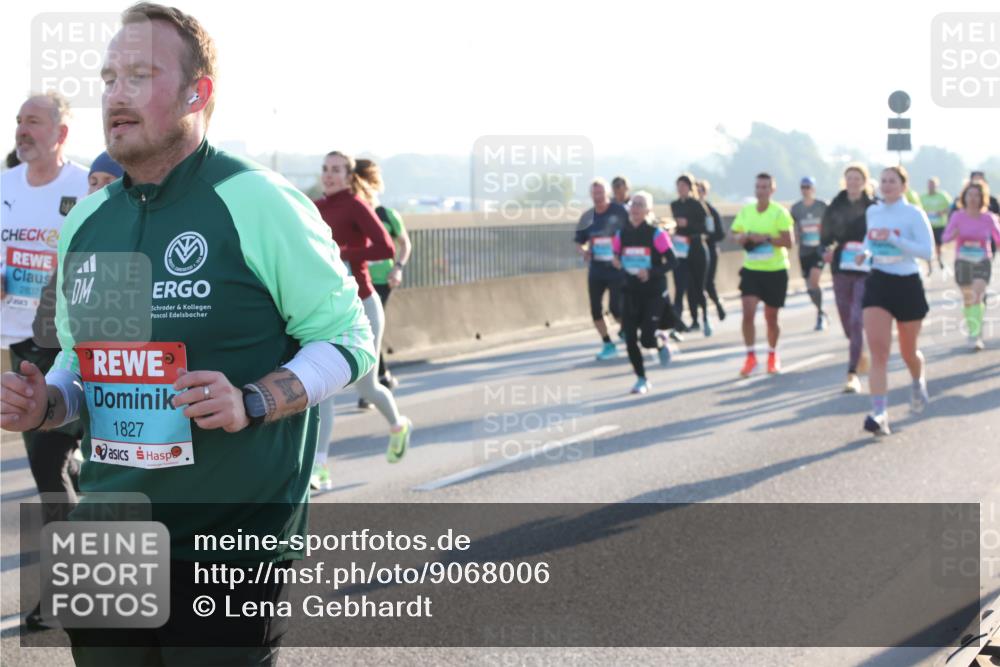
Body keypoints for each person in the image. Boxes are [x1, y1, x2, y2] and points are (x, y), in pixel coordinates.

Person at [1, 4, 376, 663]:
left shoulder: (255, 198)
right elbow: (86, 368)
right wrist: (49, 402)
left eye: (139, 76)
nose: (115, 93)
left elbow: (348, 338)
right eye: (109, 76)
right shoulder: (90, 217)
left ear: (197, 93)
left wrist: (253, 398)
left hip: (226, 542)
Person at [1, 92, 89, 632]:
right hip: (20, 343)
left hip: (70, 344)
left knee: (48, 472)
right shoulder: (4, 186)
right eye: (18, 120)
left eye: (32, 121)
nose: (21, 129)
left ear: (60, 134)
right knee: (56, 466)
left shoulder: (86, 187)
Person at [313, 150, 413, 485]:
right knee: (324, 389)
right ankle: (320, 467)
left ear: (349, 175)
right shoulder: (314, 207)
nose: (329, 175)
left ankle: (398, 425)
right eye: (325, 169)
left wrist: (344, 253)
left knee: (366, 384)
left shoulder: (355, 204)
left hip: (363, 305)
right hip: (327, 309)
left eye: (337, 170)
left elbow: (385, 247)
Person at [857, 166, 934, 436]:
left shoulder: (913, 214)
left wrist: (896, 240)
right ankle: (879, 413)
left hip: (907, 283)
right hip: (878, 281)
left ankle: (917, 379)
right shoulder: (873, 211)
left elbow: (927, 251)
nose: (887, 185)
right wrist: (864, 252)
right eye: (884, 180)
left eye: (893, 181)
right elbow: (870, 238)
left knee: (908, 351)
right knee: (878, 352)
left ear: (903, 186)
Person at [355, 158, 411, 397]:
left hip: (382, 280)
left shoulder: (387, 215)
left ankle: (371, 386)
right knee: (365, 330)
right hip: (355, 281)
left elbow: (404, 243)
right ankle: (381, 376)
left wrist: (398, 267)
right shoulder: (352, 214)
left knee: (367, 328)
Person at [611, 191, 675, 394]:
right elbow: (615, 255)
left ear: (648, 210)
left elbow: (673, 261)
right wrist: (617, 262)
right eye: (633, 204)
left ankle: (660, 342)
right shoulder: (622, 234)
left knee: (646, 339)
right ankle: (641, 378)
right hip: (630, 292)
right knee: (630, 338)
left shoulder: (657, 234)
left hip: (653, 293)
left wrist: (651, 272)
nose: (636, 208)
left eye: (640, 205)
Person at [730, 173, 795, 376]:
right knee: (747, 312)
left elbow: (789, 242)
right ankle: (750, 357)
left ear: (772, 190)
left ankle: (772, 354)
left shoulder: (780, 213)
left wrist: (766, 238)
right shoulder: (747, 211)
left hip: (775, 270)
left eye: (765, 187)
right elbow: (734, 234)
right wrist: (745, 237)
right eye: (758, 186)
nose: (761, 190)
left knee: (771, 317)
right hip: (752, 270)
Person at [820, 164, 876, 393]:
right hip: (841, 267)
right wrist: (827, 250)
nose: (853, 182)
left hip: (865, 268)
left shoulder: (873, 207)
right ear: (844, 181)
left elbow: (878, 234)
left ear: (864, 181)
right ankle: (858, 349)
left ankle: (852, 373)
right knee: (846, 320)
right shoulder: (835, 205)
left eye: (857, 178)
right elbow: (824, 237)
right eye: (849, 178)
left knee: (856, 319)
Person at [574, 178, 629, 360]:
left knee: (616, 309)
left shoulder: (619, 212)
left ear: (607, 194)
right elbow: (579, 241)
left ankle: (628, 330)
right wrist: (584, 251)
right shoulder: (587, 217)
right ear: (591, 195)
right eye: (594, 193)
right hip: (597, 268)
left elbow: (631, 233)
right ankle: (607, 343)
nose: (598, 197)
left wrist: (622, 255)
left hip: (616, 268)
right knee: (595, 310)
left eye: (601, 193)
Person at [942, 181, 1000, 350]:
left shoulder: (988, 217)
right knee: (968, 299)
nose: (973, 198)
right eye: (970, 195)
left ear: (983, 198)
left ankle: (975, 335)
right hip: (963, 261)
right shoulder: (958, 216)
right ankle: (973, 327)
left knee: (977, 295)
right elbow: (945, 238)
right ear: (964, 197)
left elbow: (998, 237)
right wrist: (954, 234)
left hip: (982, 260)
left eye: (977, 195)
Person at [670, 174, 711, 335]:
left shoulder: (698, 205)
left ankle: (705, 318)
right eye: (678, 186)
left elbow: (708, 227)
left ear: (690, 187)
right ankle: (677, 323)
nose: (681, 189)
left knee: (698, 287)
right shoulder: (674, 205)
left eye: (684, 186)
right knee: (680, 287)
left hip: (697, 248)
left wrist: (689, 224)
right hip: (680, 249)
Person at [790, 176, 829, 330]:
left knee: (814, 281)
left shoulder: (821, 206)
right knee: (810, 287)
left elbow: (830, 224)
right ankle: (820, 310)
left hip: (819, 249)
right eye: (803, 187)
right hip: (804, 250)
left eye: (808, 187)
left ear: (813, 188)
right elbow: (791, 226)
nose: (805, 190)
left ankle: (819, 315)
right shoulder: (796, 208)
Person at [696, 179, 726, 321]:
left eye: (700, 190)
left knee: (708, 283)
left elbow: (720, 233)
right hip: (694, 252)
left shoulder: (710, 211)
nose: (697, 193)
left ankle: (718, 304)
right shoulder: (690, 210)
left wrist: (706, 237)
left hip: (710, 250)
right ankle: (700, 316)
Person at [921, 177, 952, 275]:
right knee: (927, 245)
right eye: (929, 185)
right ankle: (929, 266)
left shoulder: (943, 196)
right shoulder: (922, 197)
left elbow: (951, 207)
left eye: (933, 185)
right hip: (927, 225)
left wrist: (942, 212)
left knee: (938, 245)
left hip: (939, 225)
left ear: (936, 185)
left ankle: (939, 259)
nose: (931, 187)